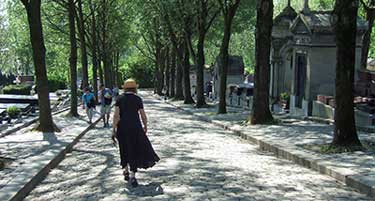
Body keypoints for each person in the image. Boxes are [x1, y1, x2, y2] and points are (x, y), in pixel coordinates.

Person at [112, 79, 160, 187]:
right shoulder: (138, 99)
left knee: (123, 148)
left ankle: (125, 170)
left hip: (122, 128)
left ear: (124, 88)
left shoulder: (119, 99)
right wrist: (145, 125)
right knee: (133, 149)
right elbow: (143, 115)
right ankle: (133, 175)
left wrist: (113, 129)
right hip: (135, 128)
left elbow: (116, 116)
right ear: (135, 88)